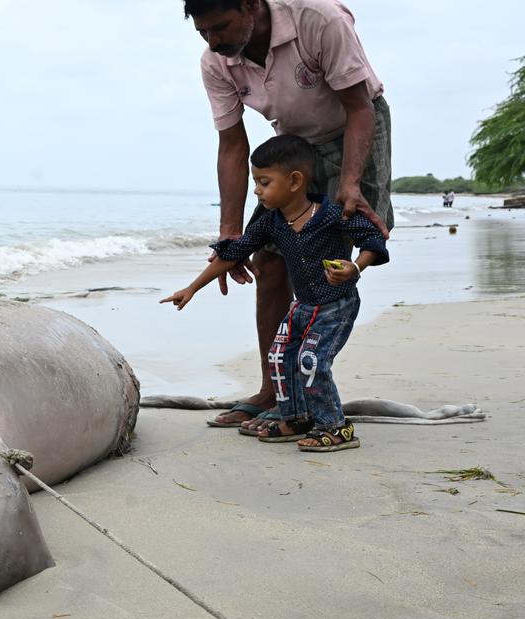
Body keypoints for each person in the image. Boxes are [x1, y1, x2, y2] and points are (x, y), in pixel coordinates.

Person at [183, 0, 393, 431]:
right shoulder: (216, 62)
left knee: (322, 259)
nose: (214, 41)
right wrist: (230, 232)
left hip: (352, 129)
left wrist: (350, 183)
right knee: (268, 261)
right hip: (293, 146)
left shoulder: (318, 20)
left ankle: (304, 398)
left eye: (220, 27)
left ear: (250, 5)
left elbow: (359, 106)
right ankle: (273, 390)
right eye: (204, 33)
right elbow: (232, 145)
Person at [161, 134, 389, 451]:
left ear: (295, 181)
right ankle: (296, 418)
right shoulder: (272, 223)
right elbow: (232, 253)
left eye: (264, 182)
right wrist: (192, 288)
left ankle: (335, 426)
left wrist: (356, 267)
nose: (257, 190)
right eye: (256, 181)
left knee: (312, 361)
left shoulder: (333, 215)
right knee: (280, 356)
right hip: (302, 306)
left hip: (336, 305)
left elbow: (373, 241)